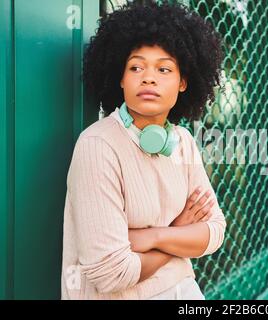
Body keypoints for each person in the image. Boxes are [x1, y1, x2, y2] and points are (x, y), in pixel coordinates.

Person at [61, 1, 226, 300]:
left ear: (183, 82)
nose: (148, 77)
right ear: (121, 78)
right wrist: (179, 236)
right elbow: (113, 273)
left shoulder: (183, 141)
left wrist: (154, 236)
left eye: (164, 69)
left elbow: (214, 230)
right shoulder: (98, 146)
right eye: (136, 67)